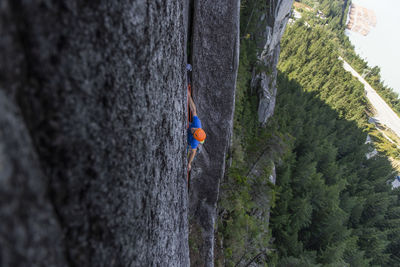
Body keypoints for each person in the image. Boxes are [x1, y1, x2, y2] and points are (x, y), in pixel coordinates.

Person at [187, 93, 206, 171]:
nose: (193, 129)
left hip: (191, 141)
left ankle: (200, 146)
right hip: (190, 128)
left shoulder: (194, 142)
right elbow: (194, 110)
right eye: (195, 129)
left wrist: (189, 163)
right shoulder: (197, 124)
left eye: (194, 132)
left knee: (193, 149)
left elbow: (193, 153)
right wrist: (188, 96)